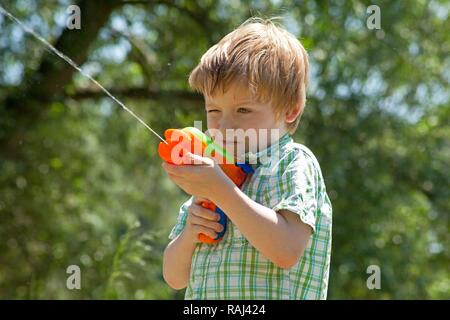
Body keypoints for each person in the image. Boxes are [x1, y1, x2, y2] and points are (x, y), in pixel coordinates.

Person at [161, 17, 332, 299]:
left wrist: (222, 191)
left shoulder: (292, 163)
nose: (224, 126)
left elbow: (286, 250)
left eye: (243, 110)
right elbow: (175, 277)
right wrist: (190, 233)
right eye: (214, 111)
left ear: (289, 110)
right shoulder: (214, 171)